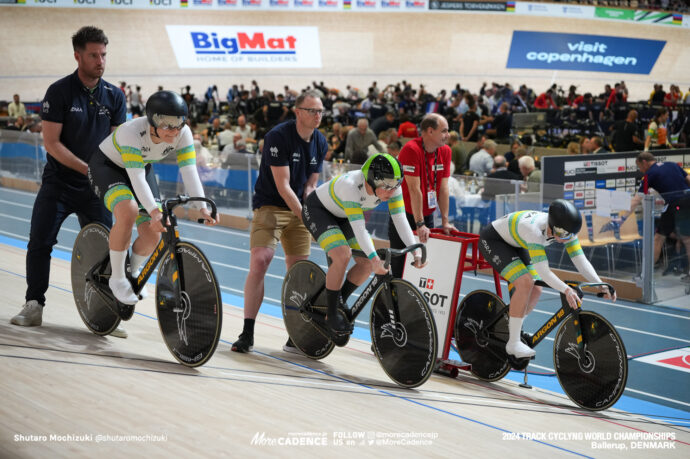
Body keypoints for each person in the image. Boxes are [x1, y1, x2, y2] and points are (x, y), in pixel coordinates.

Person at [10, 26, 127, 335]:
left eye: (103, 54)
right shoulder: (59, 91)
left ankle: (107, 312)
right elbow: (52, 143)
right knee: (40, 242)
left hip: (96, 189)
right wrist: (88, 168)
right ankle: (34, 304)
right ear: (78, 56)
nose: (100, 61)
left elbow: (117, 144)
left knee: (108, 249)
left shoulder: (115, 96)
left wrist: (112, 172)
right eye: (93, 55)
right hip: (59, 185)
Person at [88, 90, 216, 310]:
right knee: (128, 211)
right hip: (108, 167)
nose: (173, 131)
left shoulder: (183, 133)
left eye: (178, 124)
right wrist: (154, 211)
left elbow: (189, 170)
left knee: (155, 233)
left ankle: (132, 270)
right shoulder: (131, 132)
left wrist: (203, 206)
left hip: (141, 166)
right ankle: (117, 278)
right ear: (152, 121)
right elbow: (136, 177)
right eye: (166, 124)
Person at [232, 90, 328, 353]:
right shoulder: (278, 136)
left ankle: (294, 335)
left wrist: (310, 207)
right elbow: (283, 186)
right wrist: (305, 216)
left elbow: (311, 182)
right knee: (260, 260)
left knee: (298, 274)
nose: (318, 115)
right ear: (298, 112)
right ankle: (247, 332)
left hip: (299, 208)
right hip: (271, 206)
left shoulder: (320, 142)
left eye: (321, 111)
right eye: (312, 111)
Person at [302, 153, 426, 337]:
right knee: (342, 255)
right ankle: (332, 312)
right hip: (319, 211)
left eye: (396, 185)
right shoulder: (351, 186)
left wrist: (415, 250)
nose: (392, 191)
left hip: (344, 216)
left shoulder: (392, 185)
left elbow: (400, 219)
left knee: (366, 264)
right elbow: (360, 229)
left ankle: (338, 300)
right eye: (387, 187)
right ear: (372, 179)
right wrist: (376, 258)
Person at [479, 200, 616, 358]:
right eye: (564, 235)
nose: (567, 239)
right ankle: (513, 342)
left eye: (571, 235)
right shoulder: (534, 230)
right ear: (552, 227)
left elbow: (580, 260)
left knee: (536, 289)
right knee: (525, 282)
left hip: (517, 242)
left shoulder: (564, 229)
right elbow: (543, 271)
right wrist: (566, 290)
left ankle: (511, 328)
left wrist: (600, 285)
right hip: (494, 241)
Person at [388, 113, 456, 278]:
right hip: (404, 214)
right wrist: (419, 224)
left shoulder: (446, 151)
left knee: (423, 262)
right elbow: (414, 189)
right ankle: (389, 299)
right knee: (399, 263)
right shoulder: (411, 149)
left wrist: (445, 221)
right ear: (430, 131)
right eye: (444, 131)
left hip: (427, 215)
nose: (448, 135)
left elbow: (443, 188)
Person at [619, 152, 690, 280]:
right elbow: (688, 179)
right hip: (688, 201)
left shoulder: (649, 175)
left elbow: (637, 199)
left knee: (658, 238)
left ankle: (644, 275)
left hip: (675, 205)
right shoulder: (672, 164)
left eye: (639, 167)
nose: (640, 171)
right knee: (687, 240)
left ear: (644, 162)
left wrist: (623, 218)